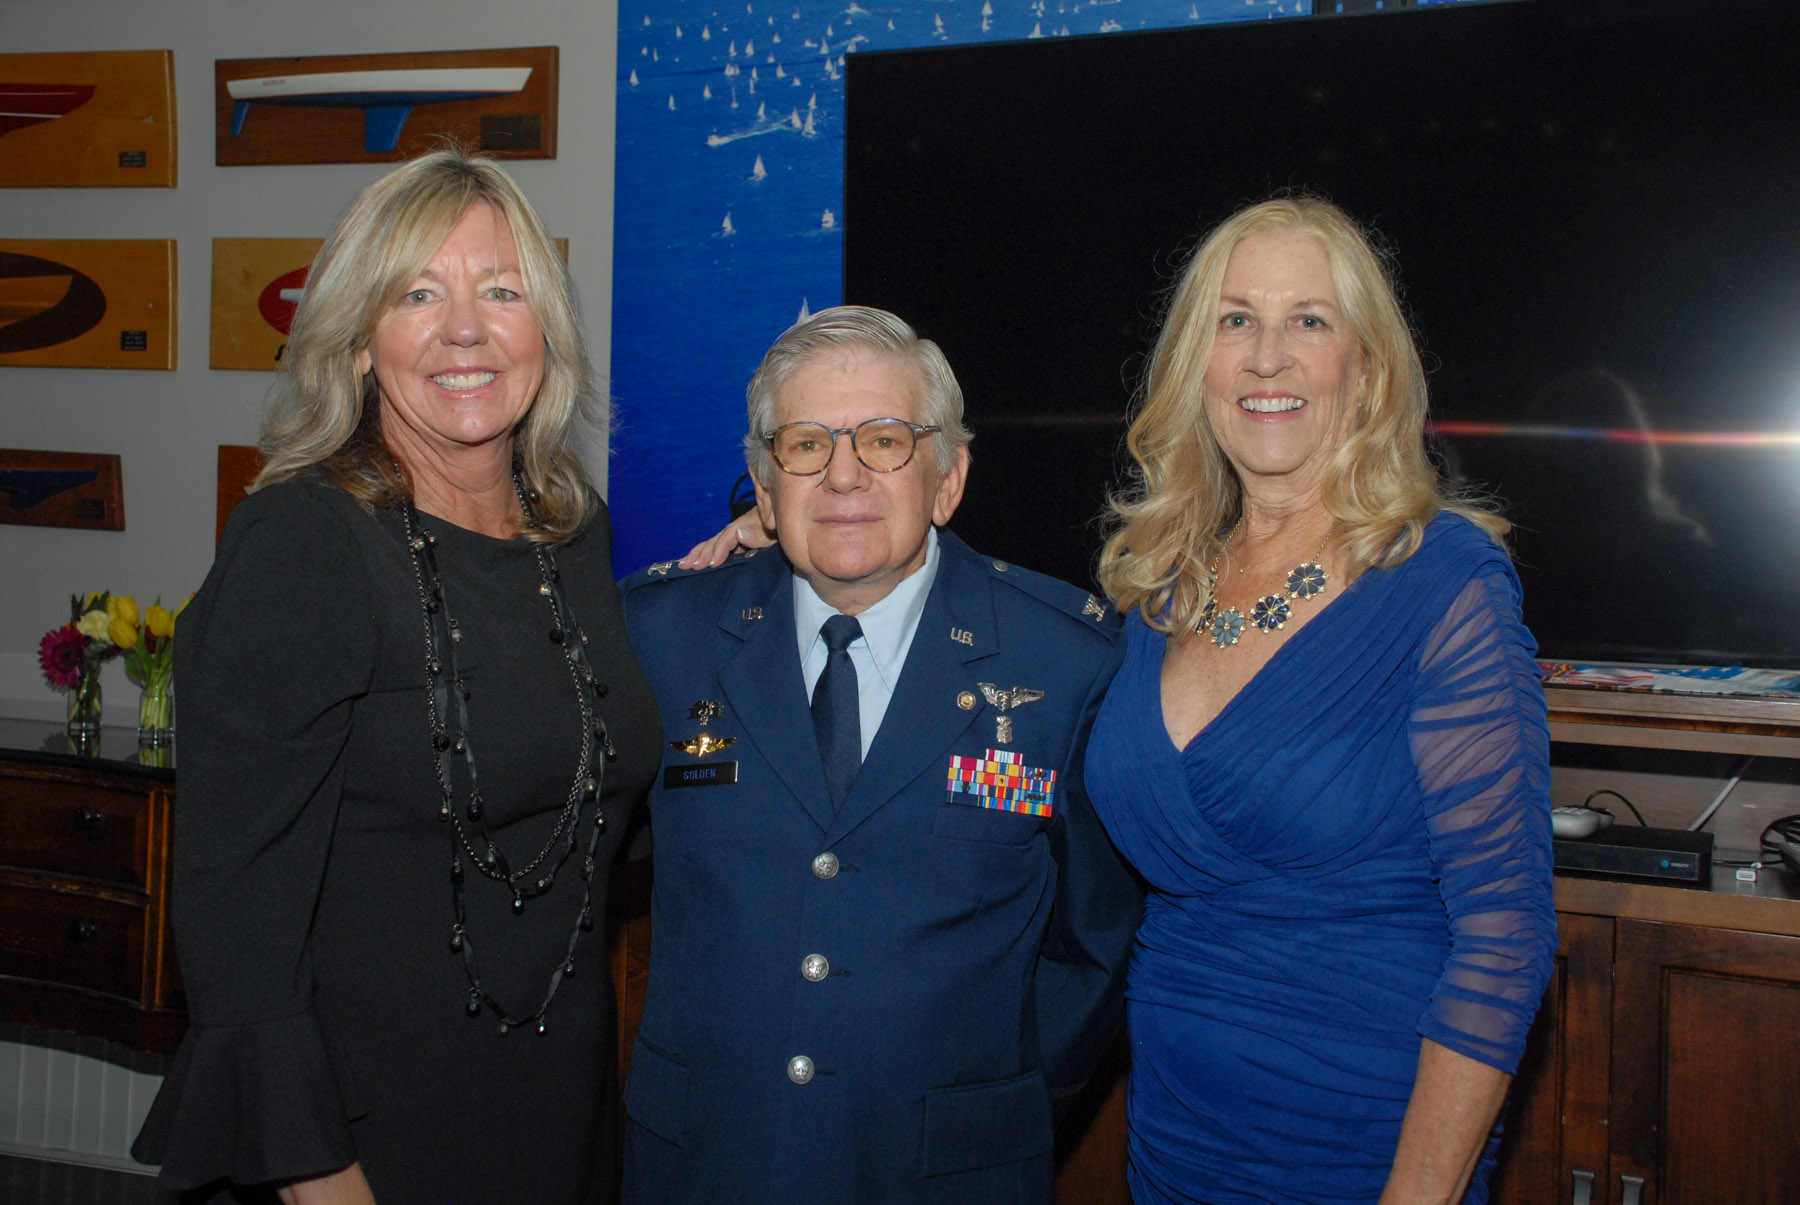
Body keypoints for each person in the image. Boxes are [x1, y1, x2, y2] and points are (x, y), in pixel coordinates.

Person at [131, 150, 661, 1204]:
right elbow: (235, 906)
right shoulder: (304, 541)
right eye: (418, 294)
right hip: (361, 1132)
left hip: (556, 1109)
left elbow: (586, 766)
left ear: (545, 330)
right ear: (359, 340)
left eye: (501, 291)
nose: (465, 330)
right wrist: (314, 1169)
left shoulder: (572, 531)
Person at [1084, 196, 1556, 1204]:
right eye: (1235, 319)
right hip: (1171, 1147)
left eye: (1309, 319)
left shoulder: (1442, 580)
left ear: (1368, 370)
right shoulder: (1158, 586)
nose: (1267, 356)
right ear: (1196, 364)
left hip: (1365, 1147)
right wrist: (760, 566)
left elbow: (1505, 940)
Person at [618, 305, 1141, 1203]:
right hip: (707, 1164)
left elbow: (1096, 944)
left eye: (885, 440)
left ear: (948, 479)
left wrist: (995, 1105)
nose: (843, 474)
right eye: (806, 444)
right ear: (764, 486)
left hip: (947, 1174)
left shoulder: (1065, 662)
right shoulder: (659, 637)